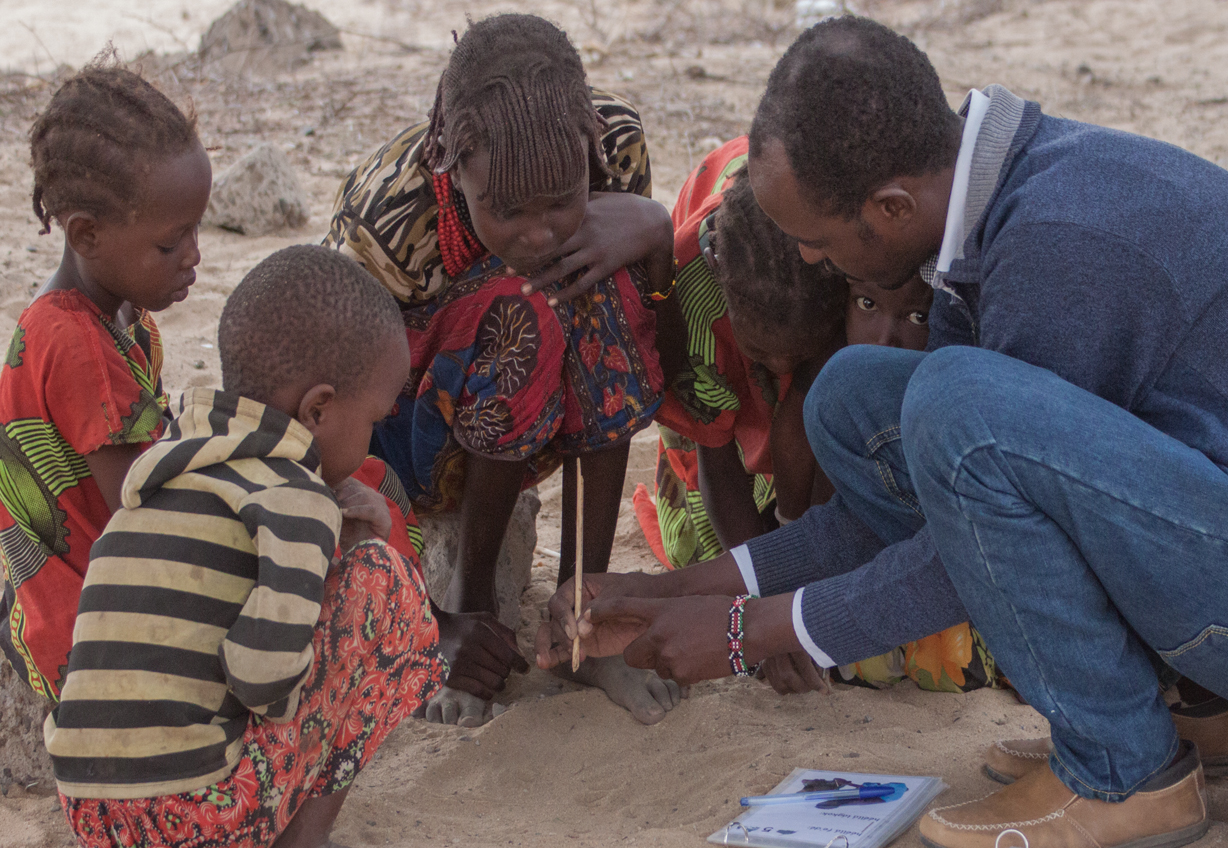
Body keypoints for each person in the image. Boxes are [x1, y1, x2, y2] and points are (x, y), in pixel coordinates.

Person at [539, 15, 1228, 848]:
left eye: (817, 242)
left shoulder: (1059, 248)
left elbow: (960, 552)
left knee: (955, 407)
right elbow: (927, 518)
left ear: (893, 207)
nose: (810, 262)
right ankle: (1198, 713)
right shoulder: (997, 199)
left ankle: (1121, 771)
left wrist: (750, 634)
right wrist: (688, 589)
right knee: (855, 397)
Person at [326, 13, 686, 728]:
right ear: (451, 164)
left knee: (592, 281)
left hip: (539, 424)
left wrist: (653, 231)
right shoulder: (387, 216)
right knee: (527, 300)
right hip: (411, 442)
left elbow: (664, 361)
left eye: (562, 200)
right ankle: (471, 602)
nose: (540, 231)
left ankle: (583, 617)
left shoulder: (612, 144)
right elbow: (332, 407)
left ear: (586, 145)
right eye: (508, 210)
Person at [44, 245, 448, 848]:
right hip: (195, 813)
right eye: (372, 421)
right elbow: (261, 679)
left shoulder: (170, 472)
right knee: (385, 583)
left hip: (91, 812)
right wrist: (340, 576)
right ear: (318, 410)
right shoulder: (296, 498)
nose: (370, 444)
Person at [0, 60, 209, 701]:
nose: (195, 256)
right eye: (170, 244)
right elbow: (143, 511)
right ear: (87, 234)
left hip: (89, 575)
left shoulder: (117, 310)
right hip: (85, 624)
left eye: (196, 229)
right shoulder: (77, 346)